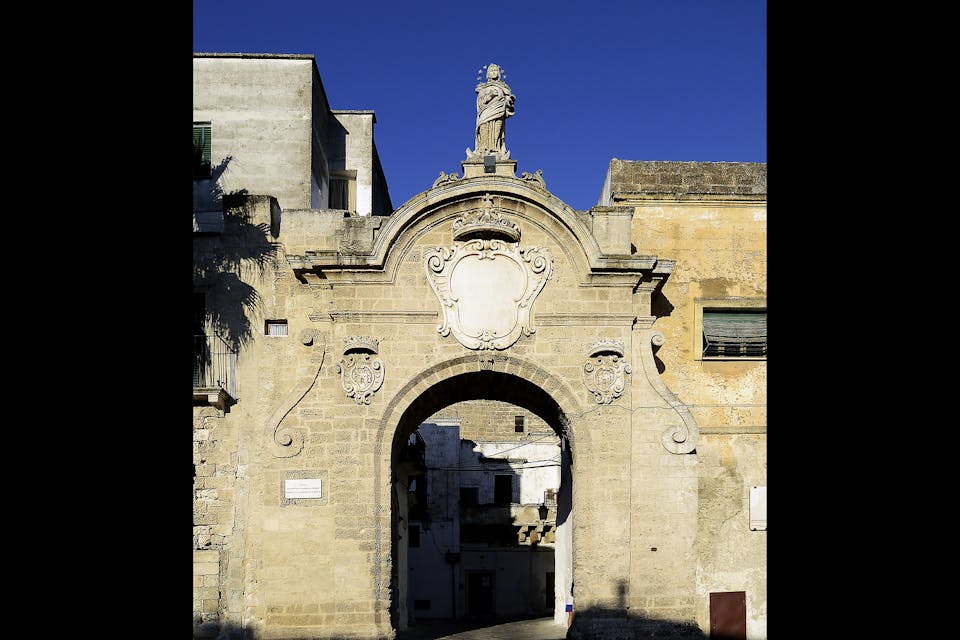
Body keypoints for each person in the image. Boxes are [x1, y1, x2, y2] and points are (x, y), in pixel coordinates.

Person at [474, 63, 516, 154]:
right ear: (488, 74)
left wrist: (509, 100)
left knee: (498, 129)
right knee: (484, 127)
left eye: (495, 70)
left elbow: (509, 100)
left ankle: (496, 149)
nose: (494, 72)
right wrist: (490, 95)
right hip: (486, 112)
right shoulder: (483, 88)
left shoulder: (504, 87)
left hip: (499, 110)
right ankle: (483, 149)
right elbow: (481, 102)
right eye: (491, 70)